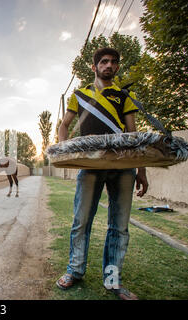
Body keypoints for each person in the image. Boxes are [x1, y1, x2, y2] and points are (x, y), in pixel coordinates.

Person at [55, 48, 149, 300]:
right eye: (104, 61)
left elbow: (133, 135)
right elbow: (64, 126)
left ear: (117, 68)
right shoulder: (80, 95)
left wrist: (142, 170)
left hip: (122, 166)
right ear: (94, 67)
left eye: (114, 62)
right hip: (91, 165)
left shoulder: (124, 96)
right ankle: (75, 271)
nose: (109, 65)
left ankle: (112, 279)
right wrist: (65, 151)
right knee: (81, 221)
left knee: (119, 226)